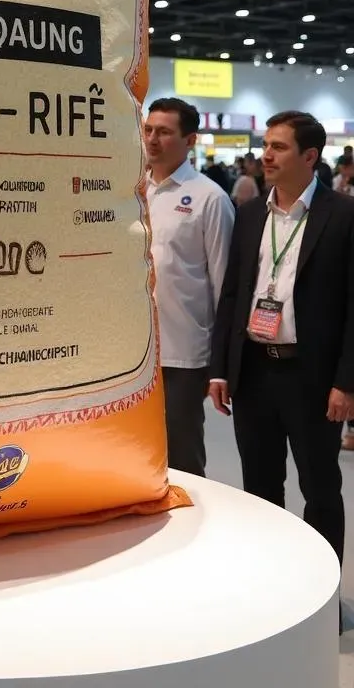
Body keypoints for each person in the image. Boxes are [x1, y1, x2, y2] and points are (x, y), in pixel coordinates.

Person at [209, 111, 354, 574]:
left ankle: (323, 591)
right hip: (253, 371)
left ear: (310, 156)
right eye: (266, 145)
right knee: (260, 487)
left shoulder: (344, 215)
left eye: (278, 147)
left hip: (312, 376)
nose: (266, 155)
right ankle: (270, 583)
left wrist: (346, 382)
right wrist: (221, 368)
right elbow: (233, 295)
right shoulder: (252, 213)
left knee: (320, 489)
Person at [144, 98, 235, 477]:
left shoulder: (209, 198)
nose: (152, 139)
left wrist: (220, 363)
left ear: (190, 140)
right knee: (136, 449)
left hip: (183, 353)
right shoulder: (131, 190)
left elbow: (225, 285)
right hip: (132, 350)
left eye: (164, 132)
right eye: (148, 129)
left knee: (182, 454)